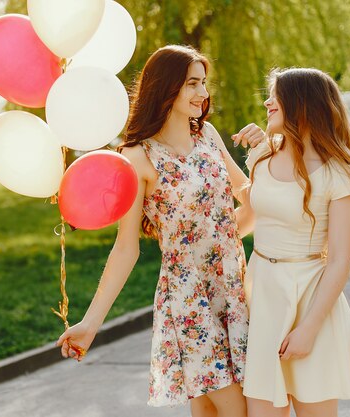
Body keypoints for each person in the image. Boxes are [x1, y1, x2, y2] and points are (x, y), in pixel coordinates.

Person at [56, 44, 264, 417]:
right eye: (192, 84)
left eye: (204, 84)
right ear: (165, 88)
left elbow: (249, 201)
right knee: (239, 409)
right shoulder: (138, 157)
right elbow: (126, 249)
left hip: (232, 288)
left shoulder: (208, 136)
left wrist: (266, 156)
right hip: (188, 300)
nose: (203, 94)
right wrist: (91, 322)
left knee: (209, 409)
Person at [231, 67, 350, 417]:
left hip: (310, 300)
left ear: (301, 104)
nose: (268, 102)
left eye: (276, 96)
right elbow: (250, 214)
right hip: (261, 294)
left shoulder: (342, 174)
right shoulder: (262, 156)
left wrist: (308, 330)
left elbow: (339, 261)